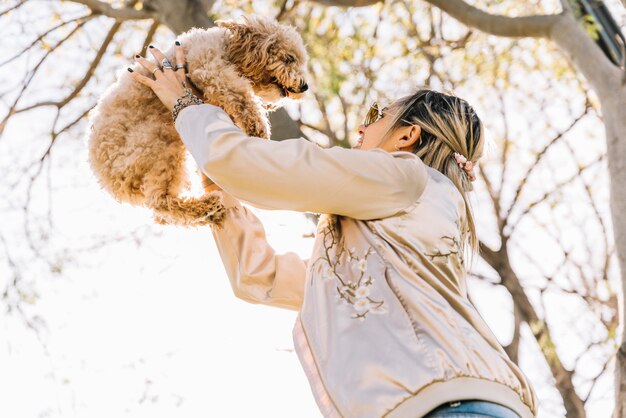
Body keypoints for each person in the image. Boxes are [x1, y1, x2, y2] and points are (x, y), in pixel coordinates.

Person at [130, 41, 539, 418]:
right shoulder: (384, 238)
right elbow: (258, 276)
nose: (361, 129)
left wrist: (187, 104)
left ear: (407, 135)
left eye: (376, 115)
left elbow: (255, 166)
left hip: (446, 404)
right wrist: (220, 190)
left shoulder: (404, 176)